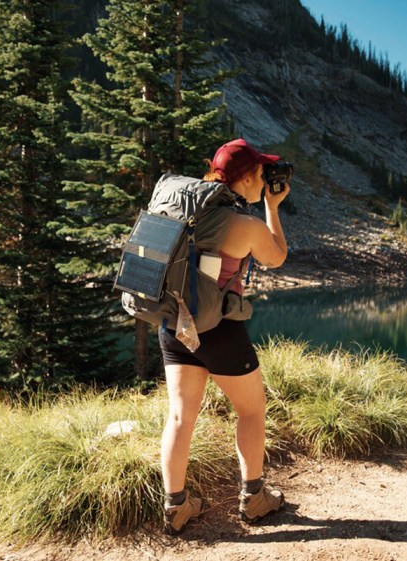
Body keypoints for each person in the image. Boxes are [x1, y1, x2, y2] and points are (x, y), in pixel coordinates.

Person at [159, 138, 290, 535]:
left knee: (181, 416)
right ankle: (254, 499)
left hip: (174, 323)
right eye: (261, 174)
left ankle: (176, 506)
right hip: (220, 331)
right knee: (251, 409)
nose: (265, 179)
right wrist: (271, 207)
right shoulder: (244, 224)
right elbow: (277, 255)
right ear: (249, 177)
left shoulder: (185, 212)